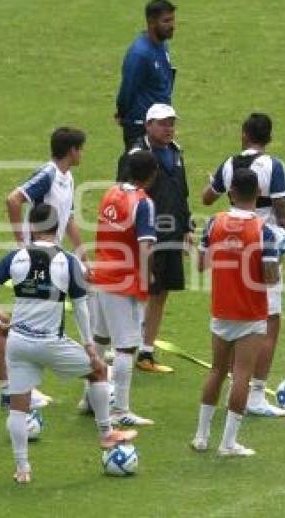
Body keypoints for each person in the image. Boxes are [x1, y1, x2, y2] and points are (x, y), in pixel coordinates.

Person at [0, 203, 138, 484]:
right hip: (50, 342)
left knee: (19, 405)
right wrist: (89, 346)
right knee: (97, 371)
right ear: (58, 228)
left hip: (18, 342)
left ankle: (22, 468)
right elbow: (81, 307)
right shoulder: (68, 261)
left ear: (30, 227)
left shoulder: (14, 258)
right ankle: (105, 433)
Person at [201, 113, 285, 417]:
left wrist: (214, 181)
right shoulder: (274, 166)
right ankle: (255, 395)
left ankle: (235, 390)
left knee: (232, 322)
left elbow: (207, 199)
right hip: (263, 252)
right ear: (268, 139)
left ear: (244, 134)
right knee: (268, 322)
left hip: (228, 254)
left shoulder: (229, 164)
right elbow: (283, 214)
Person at [191, 169, 281, 456]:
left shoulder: (214, 223)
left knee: (216, 371)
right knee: (241, 375)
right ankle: (228, 443)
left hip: (222, 309)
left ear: (230, 193)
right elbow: (270, 278)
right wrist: (277, 259)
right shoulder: (263, 231)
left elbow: (201, 265)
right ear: (257, 194)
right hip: (251, 313)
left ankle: (201, 437)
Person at [3, 127, 87, 408]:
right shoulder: (48, 174)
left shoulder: (68, 177)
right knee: (33, 312)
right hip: (37, 256)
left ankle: (25, 382)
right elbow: (13, 199)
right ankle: (20, 385)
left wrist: (82, 253)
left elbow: (69, 217)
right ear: (72, 150)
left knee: (48, 310)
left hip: (56, 254)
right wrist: (20, 243)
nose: (82, 154)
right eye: (81, 149)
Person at [117, 103, 194, 373]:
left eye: (171, 123)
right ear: (148, 125)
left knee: (162, 291)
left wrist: (187, 226)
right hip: (146, 235)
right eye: (162, 123)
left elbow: (181, 191)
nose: (169, 128)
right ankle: (124, 346)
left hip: (172, 232)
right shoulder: (136, 156)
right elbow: (125, 193)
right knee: (140, 291)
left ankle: (146, 352)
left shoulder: (175, 152)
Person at [88, 150, 158, 426]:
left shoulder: (111, 194)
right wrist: (147, 278)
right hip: (123, 281)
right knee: (126, 347)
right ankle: (121, 410)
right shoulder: (143, 203)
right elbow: (144, 246)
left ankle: (90, 398)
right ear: (152, 175)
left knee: (98, 341)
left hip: (100, 276)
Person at [115, 0, 177, 149]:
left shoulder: (163, 46)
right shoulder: (140, 54)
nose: (172, 26)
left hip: (160, 124)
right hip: (141, 127)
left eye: (172, 20)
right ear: (151, 22)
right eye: (166, 21)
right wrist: (123, 114)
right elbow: (127, 90)